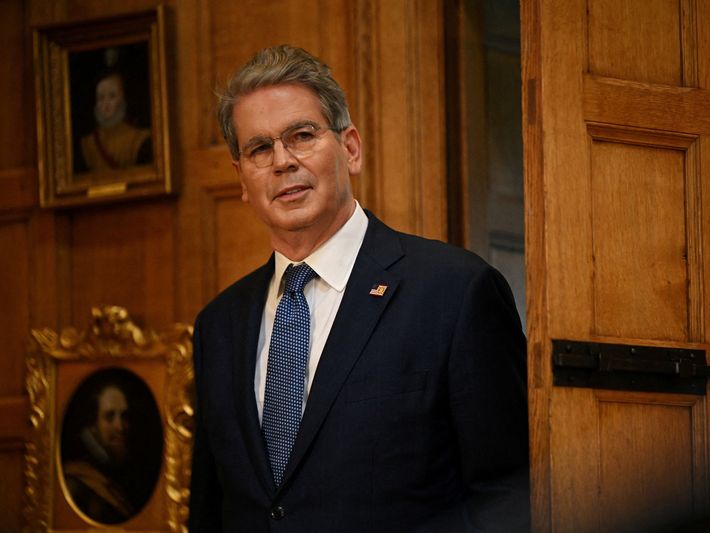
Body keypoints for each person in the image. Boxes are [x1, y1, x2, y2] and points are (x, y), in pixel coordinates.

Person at [189, 44, 530, 532]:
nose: (282, 161)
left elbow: (509, 497)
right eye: (259, 149)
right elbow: (210, 509)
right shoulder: (218, 326)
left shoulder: (455, 292)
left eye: (301, 135)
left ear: (350, 148)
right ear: (241, 178)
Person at [62, 382, 136, 524]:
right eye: (109, 417)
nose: (120, 427)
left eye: (124, 416)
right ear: (92, 425)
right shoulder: (76, 481)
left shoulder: (117, 468)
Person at [79, 71, 152, 172]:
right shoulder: (88, 143)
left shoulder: (138, 139)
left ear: (123, 99)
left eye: (112, 96)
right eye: (101, 98)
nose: (106, 103)